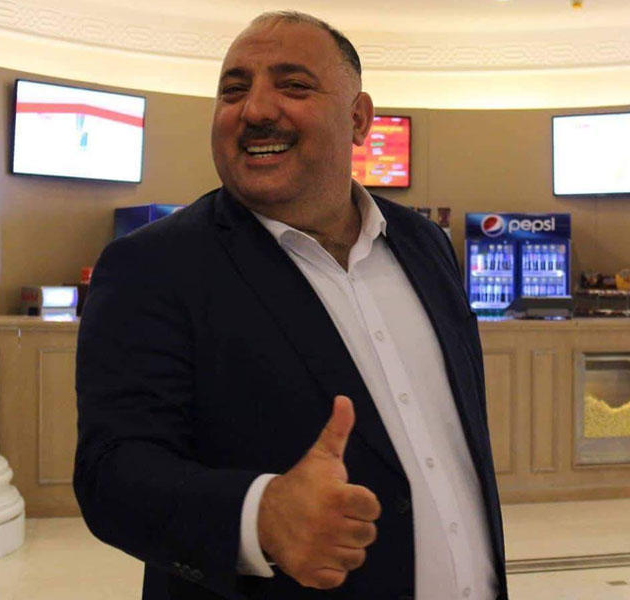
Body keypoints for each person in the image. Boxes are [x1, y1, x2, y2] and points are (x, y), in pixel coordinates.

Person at [75, 10, 508, 600]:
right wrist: (259, 515)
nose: (254, 110)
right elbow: (111, 474)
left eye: (294, 85)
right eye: (234, 90)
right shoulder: (152, 266)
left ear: (358, 119)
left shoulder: (425, 244)